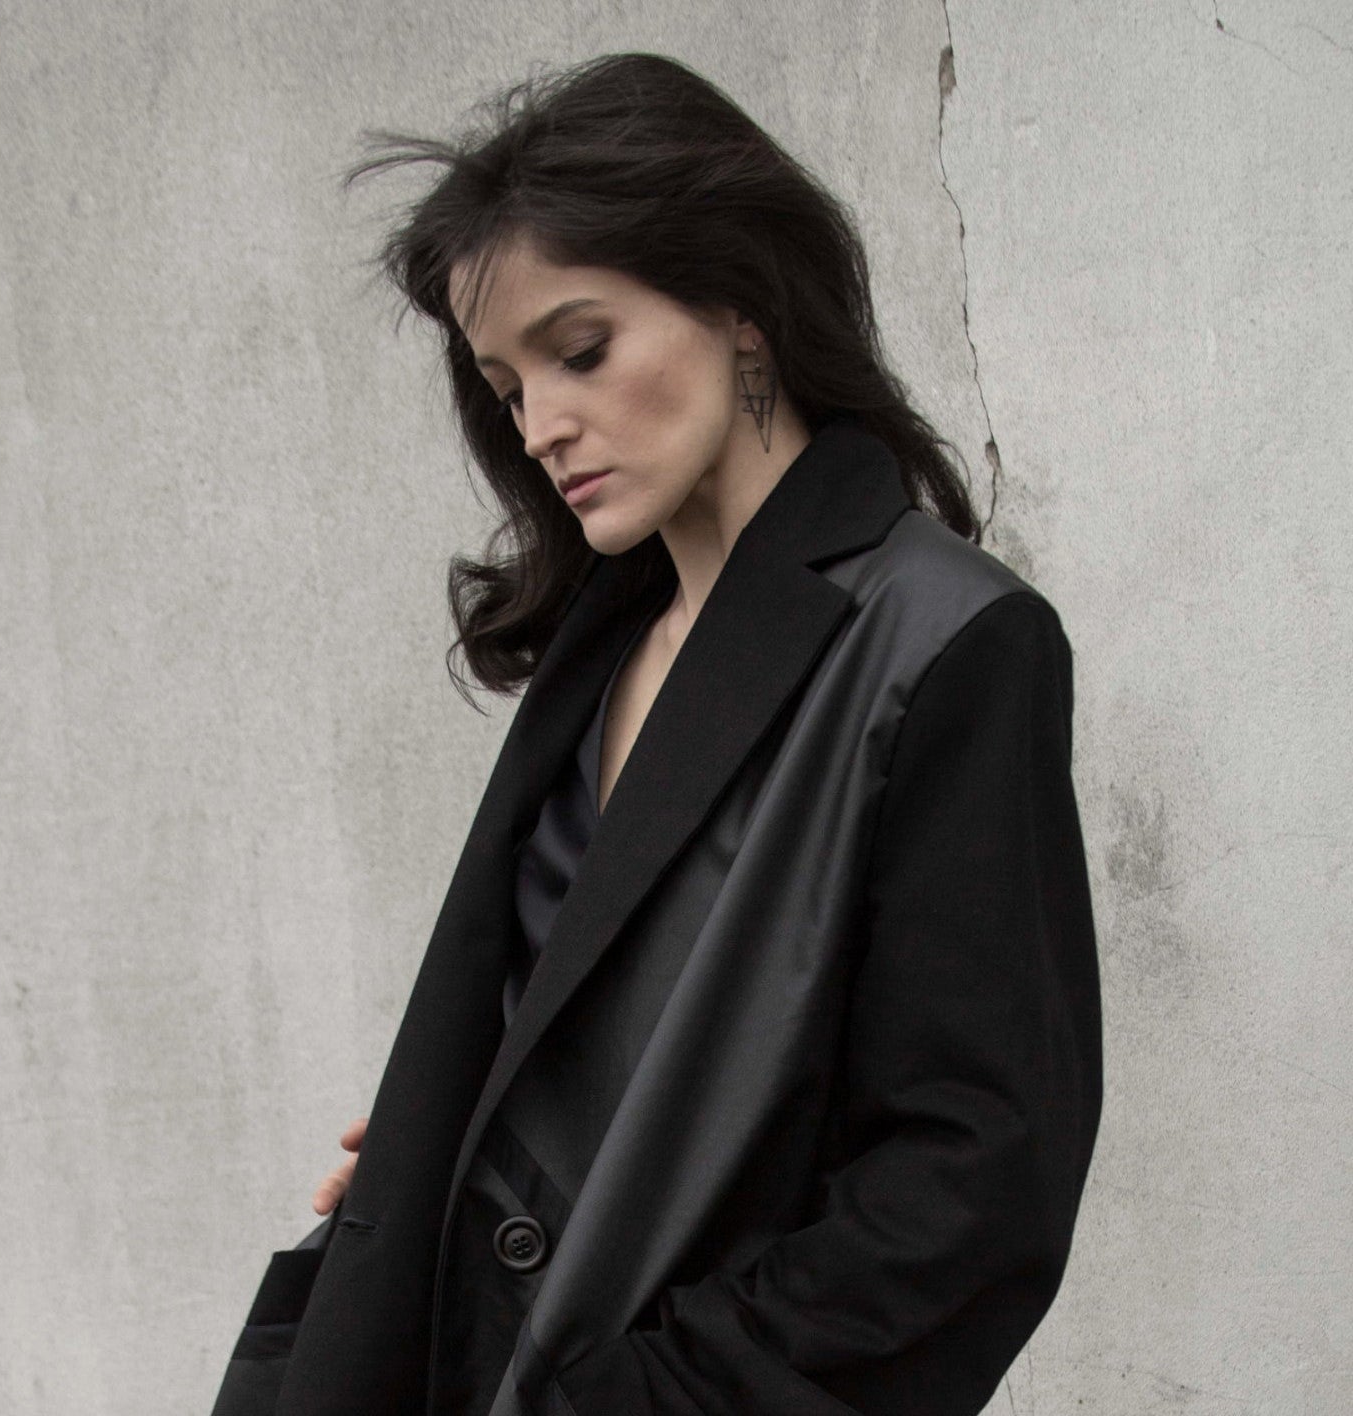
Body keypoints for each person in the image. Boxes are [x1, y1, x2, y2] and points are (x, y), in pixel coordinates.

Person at [211, 50, 1102, 1416]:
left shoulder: (945, 642)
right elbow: (608, 1024)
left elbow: (969, 1191)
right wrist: (460, 1142)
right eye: (508, 386)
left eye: (581, 352)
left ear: (742, 306)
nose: (543, 426)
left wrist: (641, 1396)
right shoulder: (606, 636)